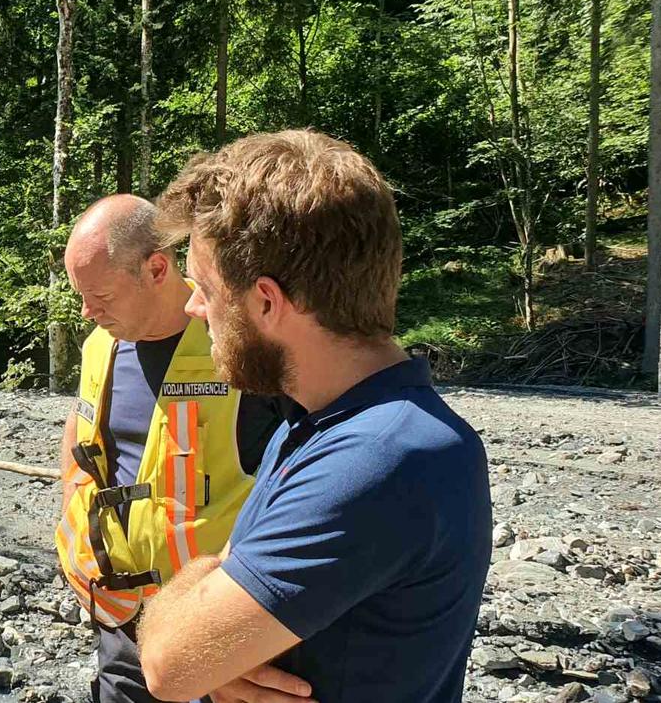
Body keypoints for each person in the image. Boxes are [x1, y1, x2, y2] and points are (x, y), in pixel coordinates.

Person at [137, 130, 493, 703]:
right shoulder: (317, 421)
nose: (192, 306)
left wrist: (200, 627)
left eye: (205, 287)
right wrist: (211, 638)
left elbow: (166, 664)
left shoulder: (379, 458)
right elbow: (205, 626)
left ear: (266, 302)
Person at [55, 194, 296, 703]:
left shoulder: (238, 345)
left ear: (157, 267)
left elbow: (305, 481)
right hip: (124, 621)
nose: (86, 311)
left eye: (100, 295)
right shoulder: (100, 344)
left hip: (221, 626)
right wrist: (71, 535)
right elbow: (80, 444)